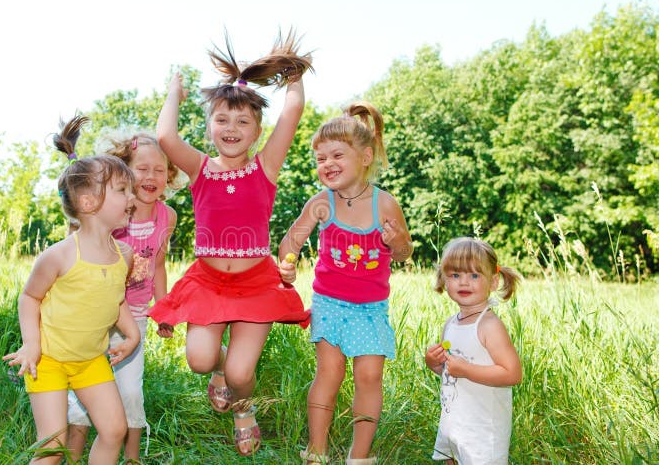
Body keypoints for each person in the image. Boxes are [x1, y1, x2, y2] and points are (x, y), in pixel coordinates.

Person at [147, 30, 314, 456]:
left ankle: (244, 409)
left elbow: (293, 110)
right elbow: (166, 137)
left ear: (257, 130)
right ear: (209, 127)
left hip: (256, 284)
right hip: (208, 282)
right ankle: (217, 373)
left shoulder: (265, 167)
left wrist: (293, 73)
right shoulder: (200, 169)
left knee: (242, 373)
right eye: (222, 119)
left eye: (243, 121)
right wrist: (174, 93)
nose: (232, 128)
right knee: (202, 361)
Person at [278, 101, 413, 464]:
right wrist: (288, 264)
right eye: (321, 159)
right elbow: (290, 241)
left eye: (337, 155)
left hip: (371, 308)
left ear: (366, 156)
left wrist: (395, 240)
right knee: (330, 371)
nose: (327, 165)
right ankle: (317, 451)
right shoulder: (322, 203)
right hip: (330, 303)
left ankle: (360, 455)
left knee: (369, 375)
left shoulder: (385, 204)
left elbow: (404, 253)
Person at [3, 116, 141, 465]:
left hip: (90, 361)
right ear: (88, 201)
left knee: (114, 431)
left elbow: (115, 298)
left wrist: (131, 334)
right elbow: (29, 297)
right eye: (123, 190)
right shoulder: (60, 254)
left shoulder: (122, 254)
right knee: (52, 447)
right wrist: (32, 344)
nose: (132, 198)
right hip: (48, 361)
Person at [66, 132, 183, 464]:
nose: (151, 177)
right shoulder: (110, 211)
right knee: (83, 391)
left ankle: (132, 458)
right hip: (95, 315)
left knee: (130, 390)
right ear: (124, 172)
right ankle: (74, 456)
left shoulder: (167, 217)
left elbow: (159, 265)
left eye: (159, 170)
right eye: (141, 169)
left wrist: (164, 310)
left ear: (170, 174)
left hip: (136, 316)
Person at [424, 237, 523, 464]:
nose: (464, 283)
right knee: (452, 459)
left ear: (493, 282)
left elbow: (512, 374)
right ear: (444, 280)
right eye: (455, 275)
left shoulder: (489, 326)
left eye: (474, 275)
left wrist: (467, 369)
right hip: (455, 421)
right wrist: (433, 363)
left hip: (483, 428)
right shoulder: (451, 324)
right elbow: (452, 373)